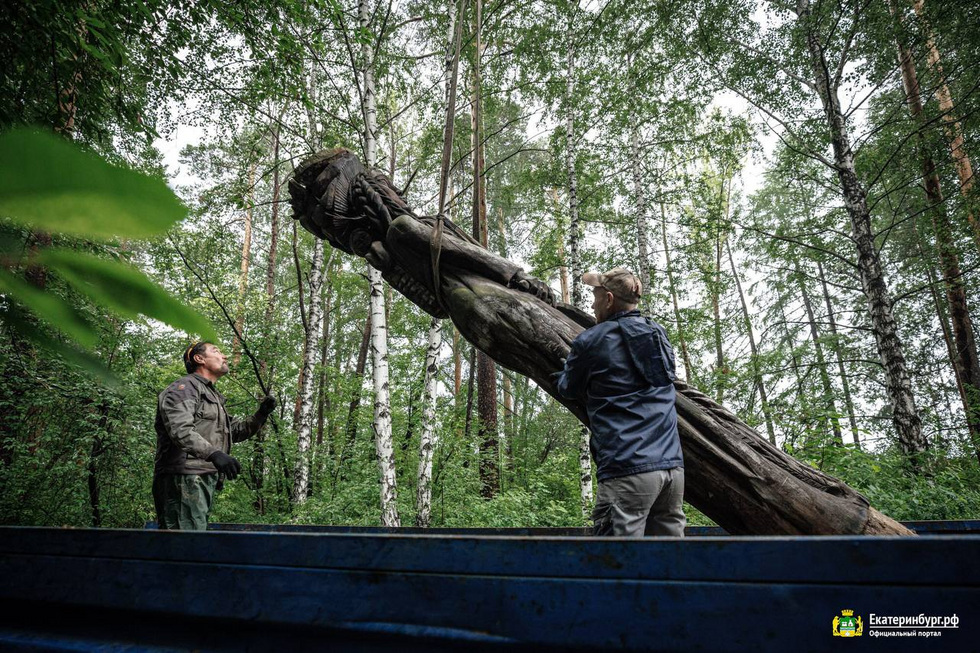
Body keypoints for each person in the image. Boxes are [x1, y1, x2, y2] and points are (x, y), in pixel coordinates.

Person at [555, 268, 685, 537]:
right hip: (672, 472)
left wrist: (565, 370)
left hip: (627, 470)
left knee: (616, 559)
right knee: (670, 560)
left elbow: (568, 388)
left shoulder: (592, 340)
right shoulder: (658, 334)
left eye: (595, 296)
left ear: (609, 299)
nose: (592, 304)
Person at [153, 342, 276, 530]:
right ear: (199, 358)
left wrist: (261, 415)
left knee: (192, 538)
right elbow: (181, 430)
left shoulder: (212, 395)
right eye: (216, 351)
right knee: (185, 542)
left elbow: (235, 431)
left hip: (201, 477)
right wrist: (214, 453)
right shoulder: (183, 388)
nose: (224, 356)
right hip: (183, 477)